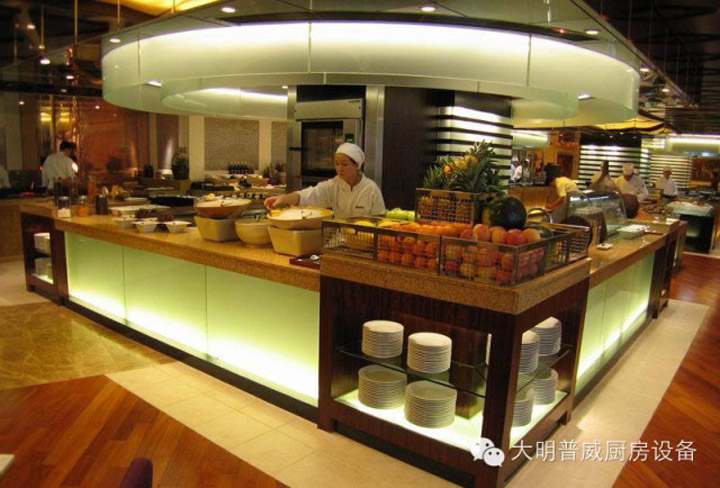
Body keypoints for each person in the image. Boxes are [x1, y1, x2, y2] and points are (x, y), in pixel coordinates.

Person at [264, 143, 386, 218]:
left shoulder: (370, 188)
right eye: (337, 164)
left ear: (357, 165)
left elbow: (380, 219)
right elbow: (306, 196)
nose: (339, 168)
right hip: (339, 240)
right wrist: (282, 198)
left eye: (344, 164)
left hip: (366, 241)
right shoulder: (333, 186)